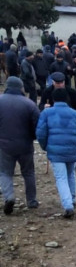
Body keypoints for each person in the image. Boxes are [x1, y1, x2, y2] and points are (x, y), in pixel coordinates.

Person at [36, 88, 76, 218]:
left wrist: (45, 147)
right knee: (71, 174)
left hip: (55, 151)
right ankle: (72, 198)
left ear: (53, 99)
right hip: (72, 150)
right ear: (67, 99)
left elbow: (41, 133)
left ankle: (68, 205)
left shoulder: (46, 113)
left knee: (61, 178)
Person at [0, 77, 41, 214]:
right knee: (28, 172)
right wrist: (33, 137)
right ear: (21, 87)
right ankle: (31, 200)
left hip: (4, 145)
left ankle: (9, 197)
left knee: (5, 173)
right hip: (25, 144)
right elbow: (37, 126)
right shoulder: (29, 103)